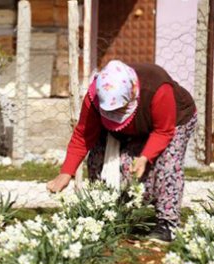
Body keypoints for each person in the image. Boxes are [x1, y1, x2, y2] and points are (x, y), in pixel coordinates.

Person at [47, 60, 197, 243]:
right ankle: (108, 211)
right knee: (105, 157)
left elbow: (163, 131)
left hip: (174, 121)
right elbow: (83, 136)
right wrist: (66, 172)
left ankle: (167, 223)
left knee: (167, 163)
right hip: (135, 127)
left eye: (121, 109)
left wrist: (145, 157)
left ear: (133, 92)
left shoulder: (156, 88)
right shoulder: (94, 98)